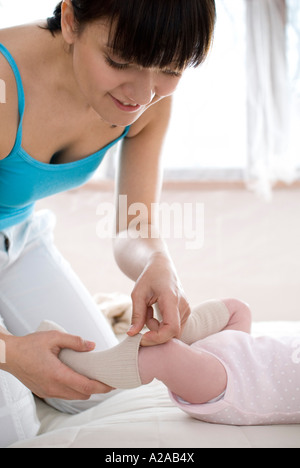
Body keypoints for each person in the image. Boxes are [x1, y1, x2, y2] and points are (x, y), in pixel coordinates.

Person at [0, 0, 216, 446]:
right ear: (71, 19)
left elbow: (135, 224)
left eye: (169, 68)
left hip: (17, 237)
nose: (142, 92)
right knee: (11, 421)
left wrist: (156, 263)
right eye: (119, 61)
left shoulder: (149, 94)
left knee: (95, 390)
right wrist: (9, 352)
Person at [40, 298, 300, 426]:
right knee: (237, 309)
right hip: (243, 350)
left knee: (164, 353)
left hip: (232, 386)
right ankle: (180, 330)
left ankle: (87, 364)